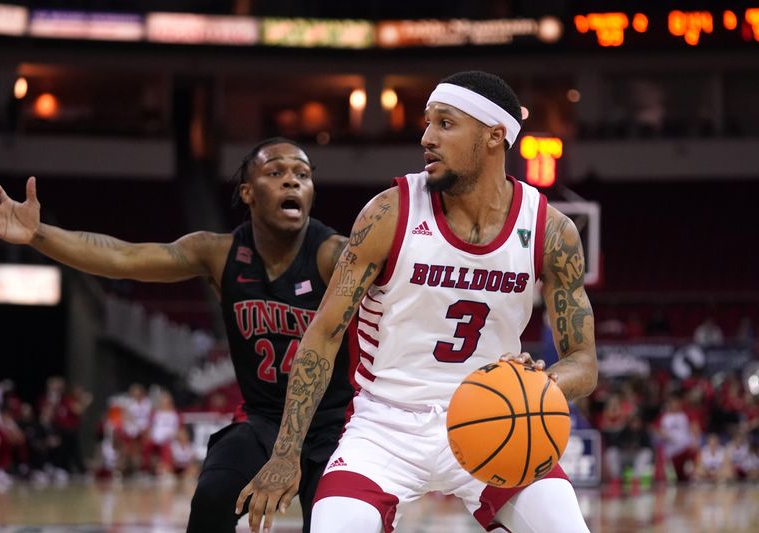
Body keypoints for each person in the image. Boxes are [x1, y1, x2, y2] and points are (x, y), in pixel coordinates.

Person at [237, 71, 598, 533]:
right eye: (427, 123)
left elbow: (583, 361)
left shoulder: (551, 231)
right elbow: (324, 334)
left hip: (495, 417)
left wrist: (542, 387)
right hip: (385, 425)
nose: (426, 137)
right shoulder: (389, 213)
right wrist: (285, 453)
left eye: (445, 124)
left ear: (494, 135)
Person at [0, 137, 354, 532]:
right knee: (211, 497)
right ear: (247, 192)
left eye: (303, 175)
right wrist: (40, 235)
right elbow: (124, 257)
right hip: (263, 421)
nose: (292, 182)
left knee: (335, 521)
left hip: (334, 424)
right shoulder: (219, 253)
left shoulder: (333, 255)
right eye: (276, 172)